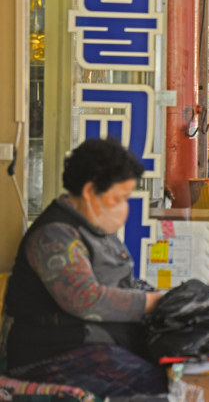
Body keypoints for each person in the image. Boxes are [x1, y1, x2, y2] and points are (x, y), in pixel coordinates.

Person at [3, 138, 166, 398]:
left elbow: (123, 283)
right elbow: (85, 298)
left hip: (100, 344)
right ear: (90, 191)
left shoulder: (95, 228)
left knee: (180, 368)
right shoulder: (54, 236)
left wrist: (174, 299)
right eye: (120, 198)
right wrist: (154, 302)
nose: (125, 207)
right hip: (50, 356)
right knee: (160, 387)